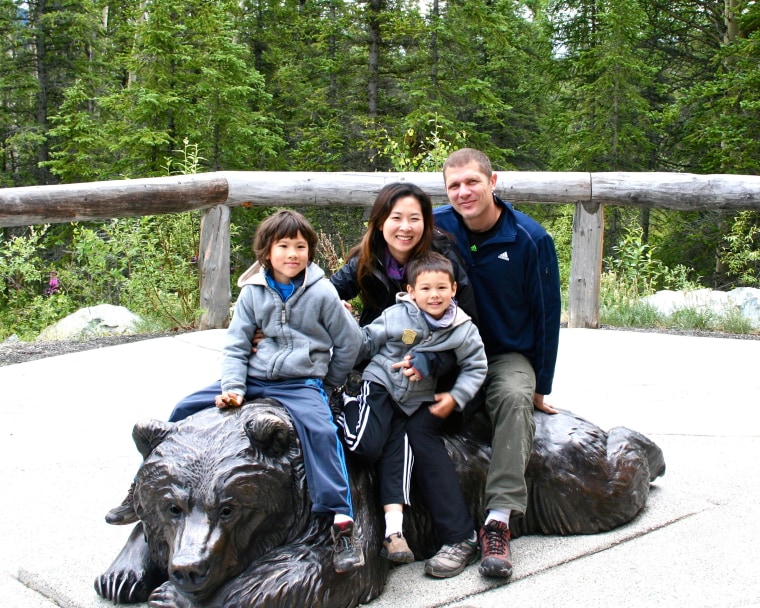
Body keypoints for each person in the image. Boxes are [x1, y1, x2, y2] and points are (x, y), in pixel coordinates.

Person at [105, 209, 365, 574]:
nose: (293, 254)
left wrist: (328, 380)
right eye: (284, 246)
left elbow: (349, 342)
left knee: (322, 433)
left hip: (299, 383)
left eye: (301, 246)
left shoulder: (321, 292)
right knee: (182, 410)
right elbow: (237, 345)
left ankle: (340, 523)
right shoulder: (253, 292)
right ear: (266, 252)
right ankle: (140, 493)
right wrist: (233, 388)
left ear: (311, 251)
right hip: (255, 376)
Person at [433, 148, 561, 580]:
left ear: (493, 181)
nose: (463, 192)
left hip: (505, 353)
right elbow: (383, 256)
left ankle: (498, 521)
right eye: (454, 185)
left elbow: (547, 314)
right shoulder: (436, 226)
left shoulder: (530, 238)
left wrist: (539, 385)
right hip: (447, 349)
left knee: (510, 397)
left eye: (472, 182)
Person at [337, 252, 487, 578]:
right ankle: (346, 406)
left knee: (419, 442)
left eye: (441, 288)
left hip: (419, 402)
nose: (434, 295)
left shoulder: (461, 329)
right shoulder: (398, 316)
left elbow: (477, 366)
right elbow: (366, 342)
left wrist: (456, 396)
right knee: (369, 445)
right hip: (380, 386)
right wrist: (342, 327)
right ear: (411, 290)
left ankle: (459, 537)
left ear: (454, 290)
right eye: (426, 288)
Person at [330, 182, 477, 329]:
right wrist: (335, 307)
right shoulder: (367, 260)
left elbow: (467, 320)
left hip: (434, 346)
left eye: (414, 219)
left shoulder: (444, 257)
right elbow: (325, 293)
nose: (406, 227)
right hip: (379, 345)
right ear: (380, 223)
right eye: (396, 218)